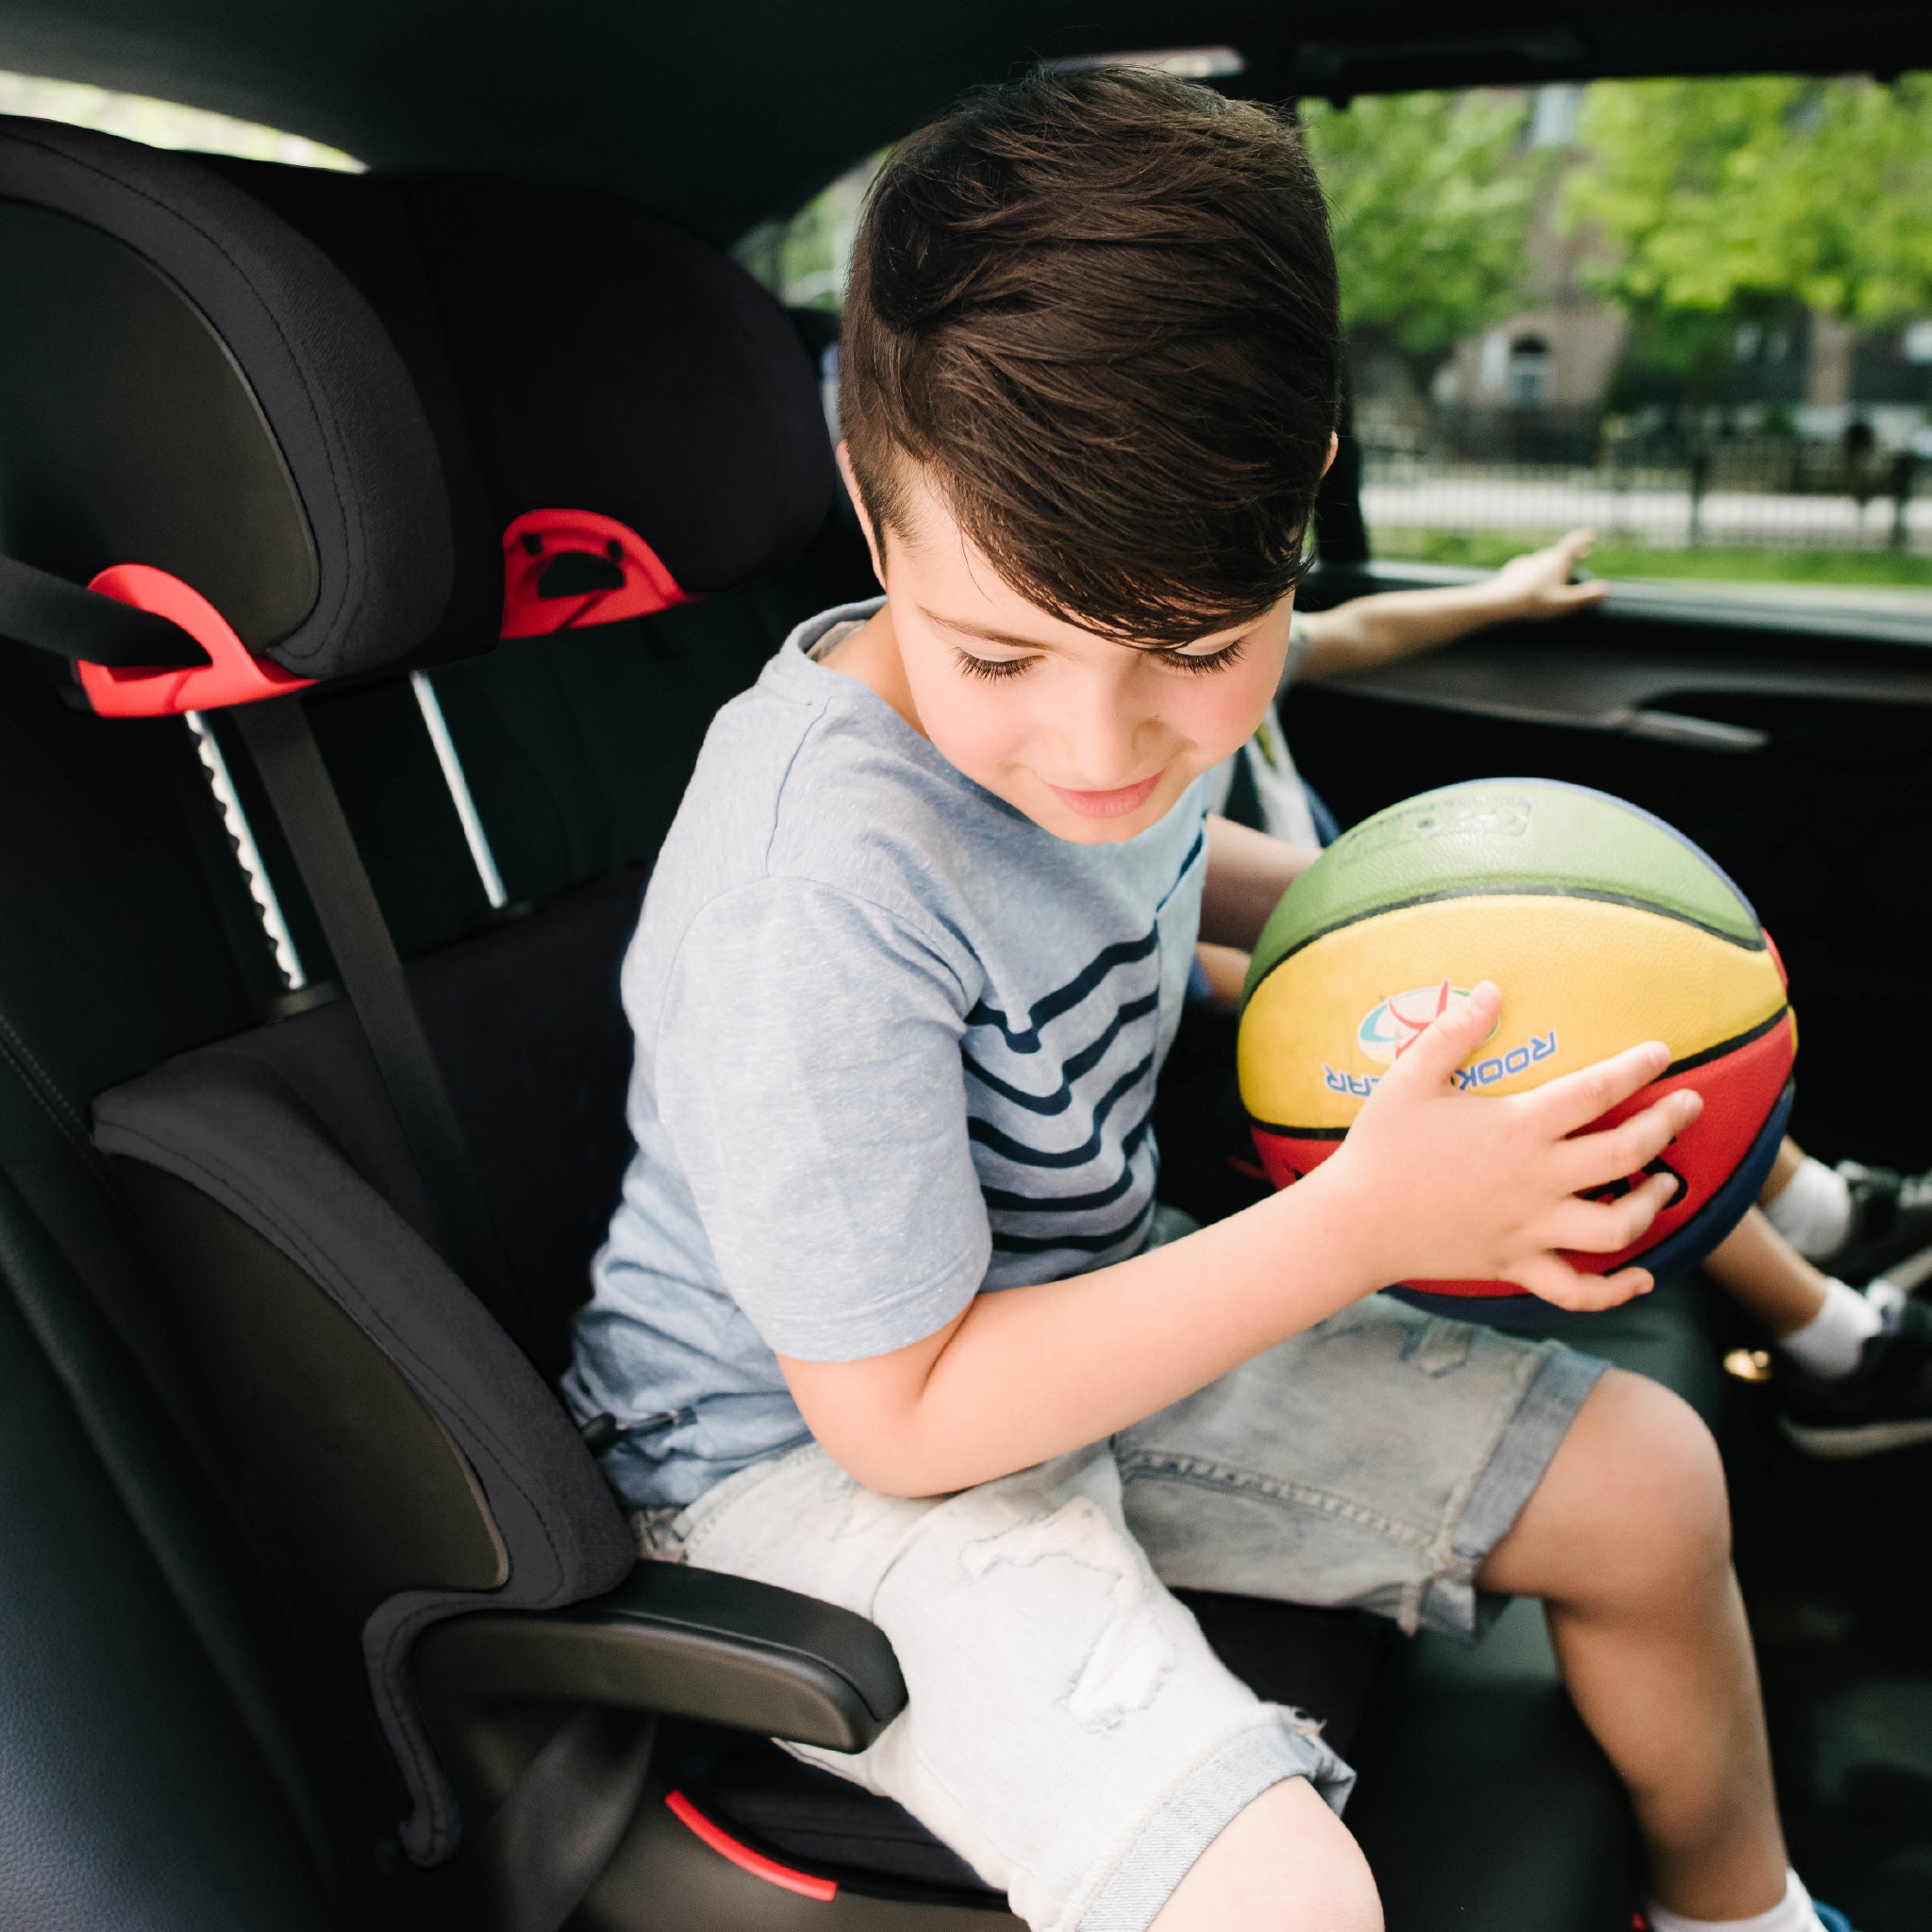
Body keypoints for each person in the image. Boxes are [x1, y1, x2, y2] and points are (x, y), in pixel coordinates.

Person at [565, 68, 1857, 1932]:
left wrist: (1555, 950)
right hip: (796, 1456)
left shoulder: (1081, 730)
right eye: (995, 649)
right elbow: (905, 1421)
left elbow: (1209, 880)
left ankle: (1733, 1913)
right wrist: (1373, 1219)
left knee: (1645, 1477)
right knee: (1278, 1897)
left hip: (1064, 1320)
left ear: (1303, 496)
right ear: (866, 496)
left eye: (1198, 651)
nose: (1100, 753)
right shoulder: (811, 883)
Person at [1199, 534, 1932, 1458]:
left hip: (1355, 971)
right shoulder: (1120, 760)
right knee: (1584, 1072)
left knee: (1627, 996)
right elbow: (1201, 968)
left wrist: (1500, 597)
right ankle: (1832, 1344)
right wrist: (1387, 969)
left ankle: (1821, 1210)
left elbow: (1351, 628)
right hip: (1284, 1062)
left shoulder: (1234, 652)